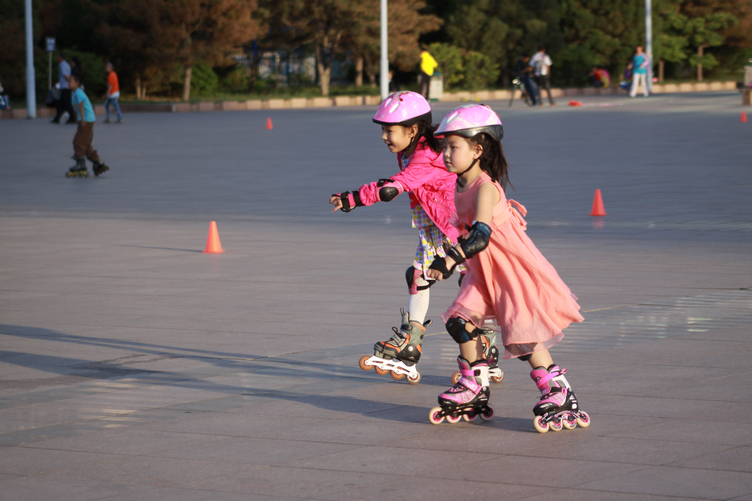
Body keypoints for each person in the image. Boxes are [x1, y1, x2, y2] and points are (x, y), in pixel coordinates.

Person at [425, 104, 589, 433]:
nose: (446, 153)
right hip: (482, 271)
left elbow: (481, 235)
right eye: (444, 146)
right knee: (459, 323)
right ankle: (474, 384)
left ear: (477, 149)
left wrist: (449, 260)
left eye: (453, 147)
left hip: (507, 270)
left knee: (522, 335)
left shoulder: (486, 187)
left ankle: (558, 392)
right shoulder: (459, 185)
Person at [332, 91, 504, 386]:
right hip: (434, 224)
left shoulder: (425, 155)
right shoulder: (409, 149)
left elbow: (393, 187)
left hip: (459, 225)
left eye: (389, 130)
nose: (384, 136)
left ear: (412, 130)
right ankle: (411, 340)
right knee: (419, 275)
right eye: (383, 129)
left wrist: (353, 198)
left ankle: (484, 343)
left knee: (471, 283)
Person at [65, 73, 110, 178]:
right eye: (68, 81)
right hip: (88, 119)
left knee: (78, 141)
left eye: (70, 81)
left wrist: (83, 120)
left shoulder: (78, 92)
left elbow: (81, 105)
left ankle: (81, 165)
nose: (68, 83)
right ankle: (98, 162)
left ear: (77, 83)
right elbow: (77, 108)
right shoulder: (74, 93)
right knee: (86, 144)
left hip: (87, 120)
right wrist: (78, 119)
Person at [51, 52, 77, 124]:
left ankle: (72, 118)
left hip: (65, 88)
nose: (57, 58)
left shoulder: (63, 66)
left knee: (67, 104)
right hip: (65, 87)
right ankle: (57, 118)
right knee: (62, 104)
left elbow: (66, 77)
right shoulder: (65, 65)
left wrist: (70, 84)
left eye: (57, 57)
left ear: (60, 58)